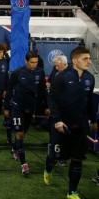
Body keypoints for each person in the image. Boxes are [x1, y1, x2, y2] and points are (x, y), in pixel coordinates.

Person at [44, 47, 97, 199]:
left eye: (89, 58)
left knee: (77, 158)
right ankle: (48, 169)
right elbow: (52, 99)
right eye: (85, 59)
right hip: (62, 125)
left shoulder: (90, 78)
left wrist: (93, 120)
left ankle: (72, 191)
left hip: (81, 125)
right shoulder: (61, 77)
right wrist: (58, 120)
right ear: (74, 60)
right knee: (56, 156)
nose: (89, 61)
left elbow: (90, 102)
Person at [4, 51, 47, 175]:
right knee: (19, 133)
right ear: (26, 61)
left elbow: (43, 91)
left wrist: (45, 107)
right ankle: (24, 164)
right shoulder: (17, 73)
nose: (34, 64)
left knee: (24, 131)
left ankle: (15, 148)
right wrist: (6, 107)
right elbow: (9, 90)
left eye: (36, 62)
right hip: (17, 107)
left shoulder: (40, 72)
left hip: (30, 108)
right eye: (32, 62)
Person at [46, 55, 69, 167]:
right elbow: (51, 91)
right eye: (55, 66)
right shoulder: (56, 72)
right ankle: (53, 154)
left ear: (64, 64)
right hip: (56, 110)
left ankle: (63, 156)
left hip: (67, 111)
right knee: (54, 133)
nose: (55, 68)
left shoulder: (71, 75)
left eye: (57, 66)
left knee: (65, 135)